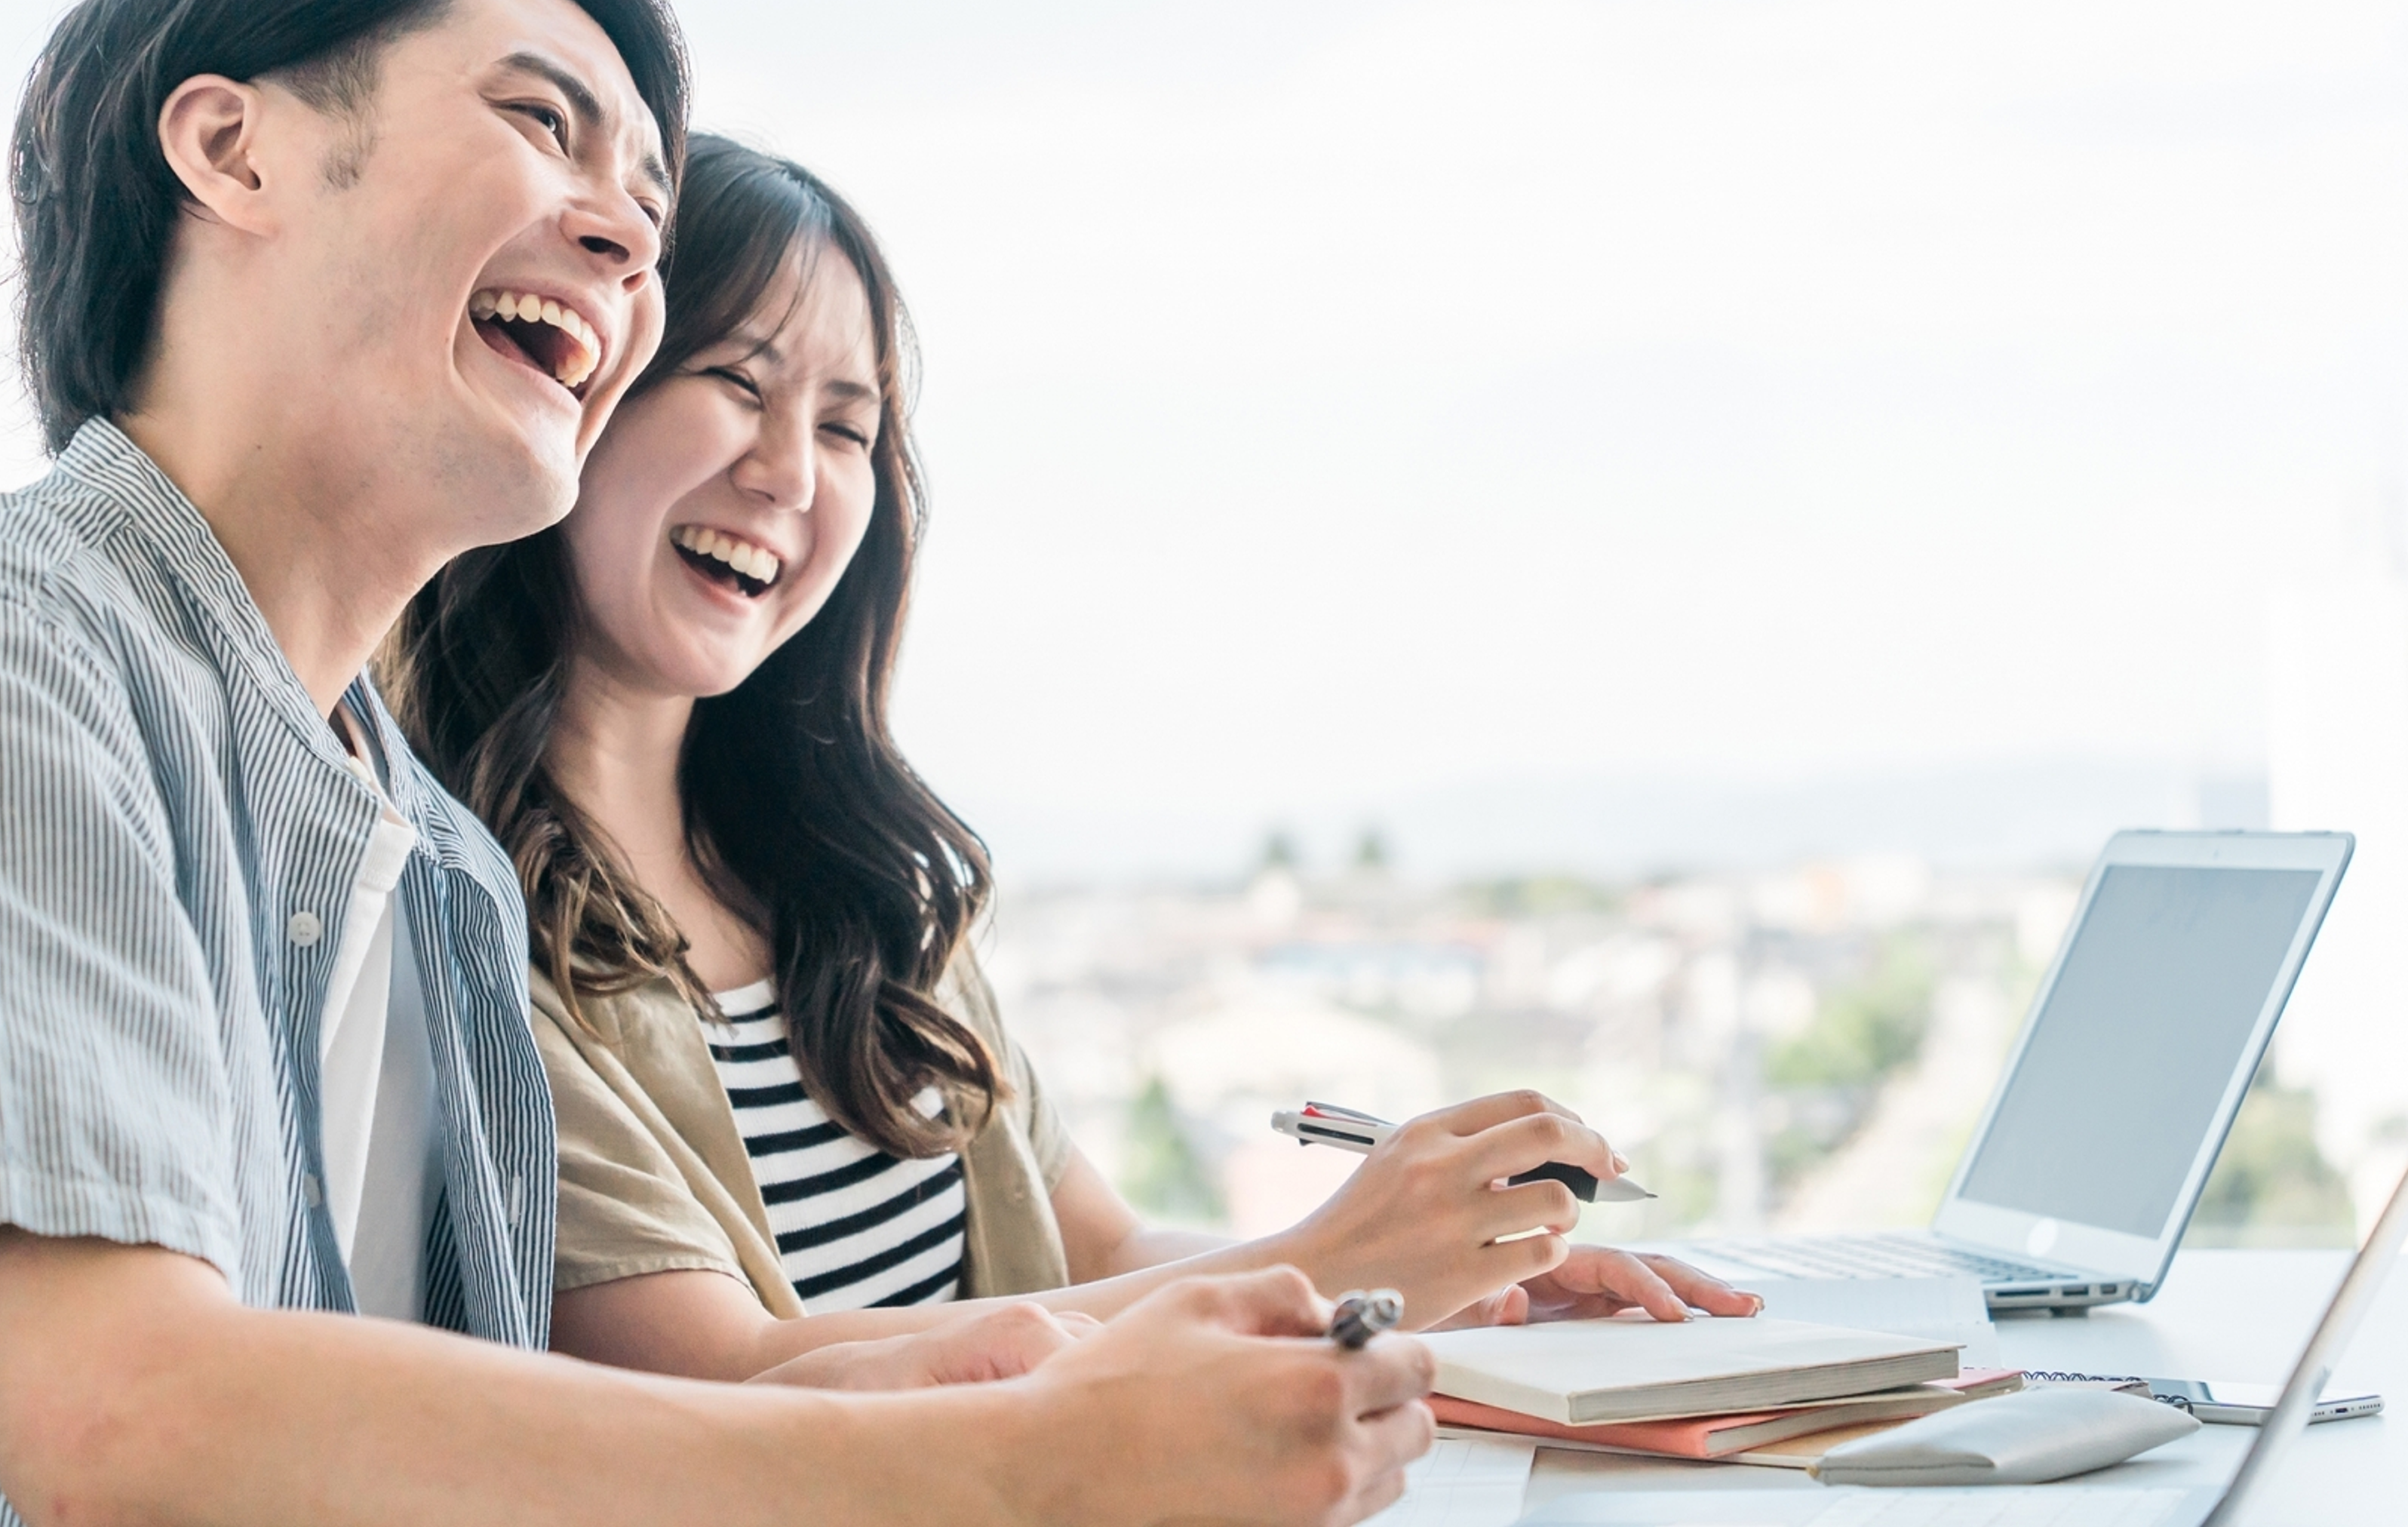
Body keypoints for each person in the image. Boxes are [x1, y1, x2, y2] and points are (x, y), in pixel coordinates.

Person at [0, 0, 1440, 1527]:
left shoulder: (422, 857)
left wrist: (1189, 1350)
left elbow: (504, 1436)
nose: (624, 238)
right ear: (232, 148)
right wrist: (1019, 1461)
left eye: (647, 198)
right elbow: (132, 1417)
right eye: (545, 126)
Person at [387, 134, 1761, 1384]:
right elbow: (728, 1375)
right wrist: (1338, 1259)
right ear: (580, 392)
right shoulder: (459, 913)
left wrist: (1434, 1281)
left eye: (851, 429)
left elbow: (1092, 1254)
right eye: (739, 386)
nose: (793, 476)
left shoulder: (856, 886)